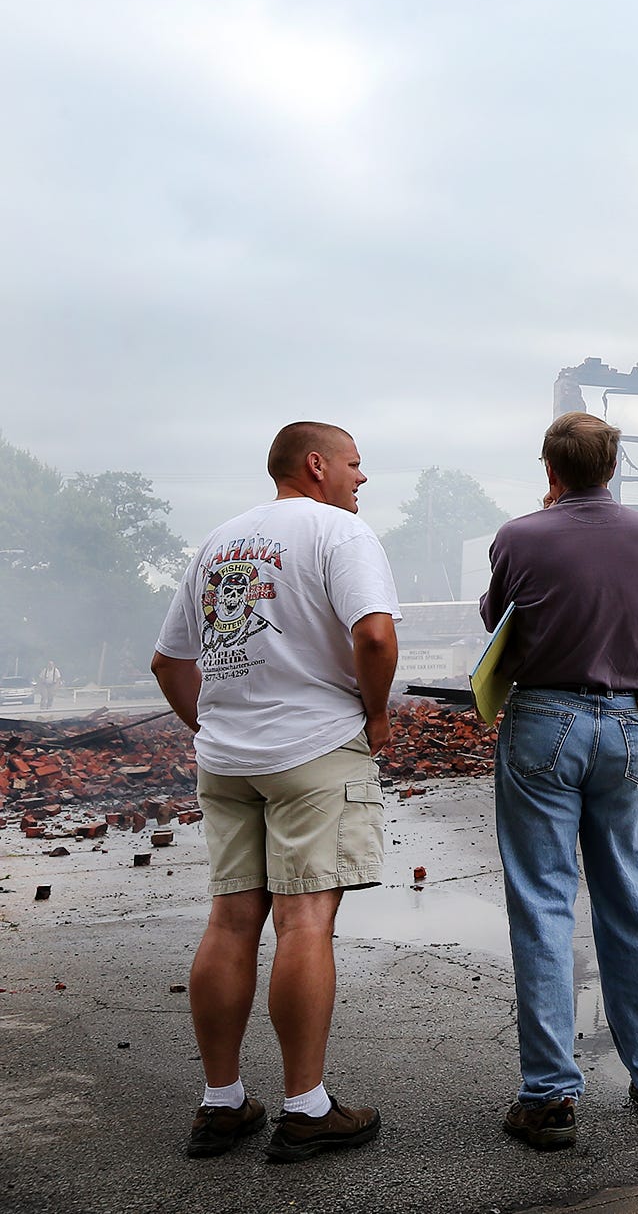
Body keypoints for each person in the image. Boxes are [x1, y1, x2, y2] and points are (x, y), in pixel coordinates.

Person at [149, 422, 398, 1163]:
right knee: (303, 921)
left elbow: (168, 662)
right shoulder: (338, 533)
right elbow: (376, 637)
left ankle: (221, 1104)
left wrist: (214, 722)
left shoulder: (219, 542)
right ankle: (305, 1108)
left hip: (226, 759)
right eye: (354, 464)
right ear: (316, 465)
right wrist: (378, 714)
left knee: (230, 922)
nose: (362, 478)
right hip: (314, 748)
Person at [482, 411, 638, 1150]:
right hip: (633, 721)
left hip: (545, 717)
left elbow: (495, 618)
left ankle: (549, 1092)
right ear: (615, 465)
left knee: (542, 901)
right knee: (631, 894)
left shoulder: (518, 536)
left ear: (550, 470)